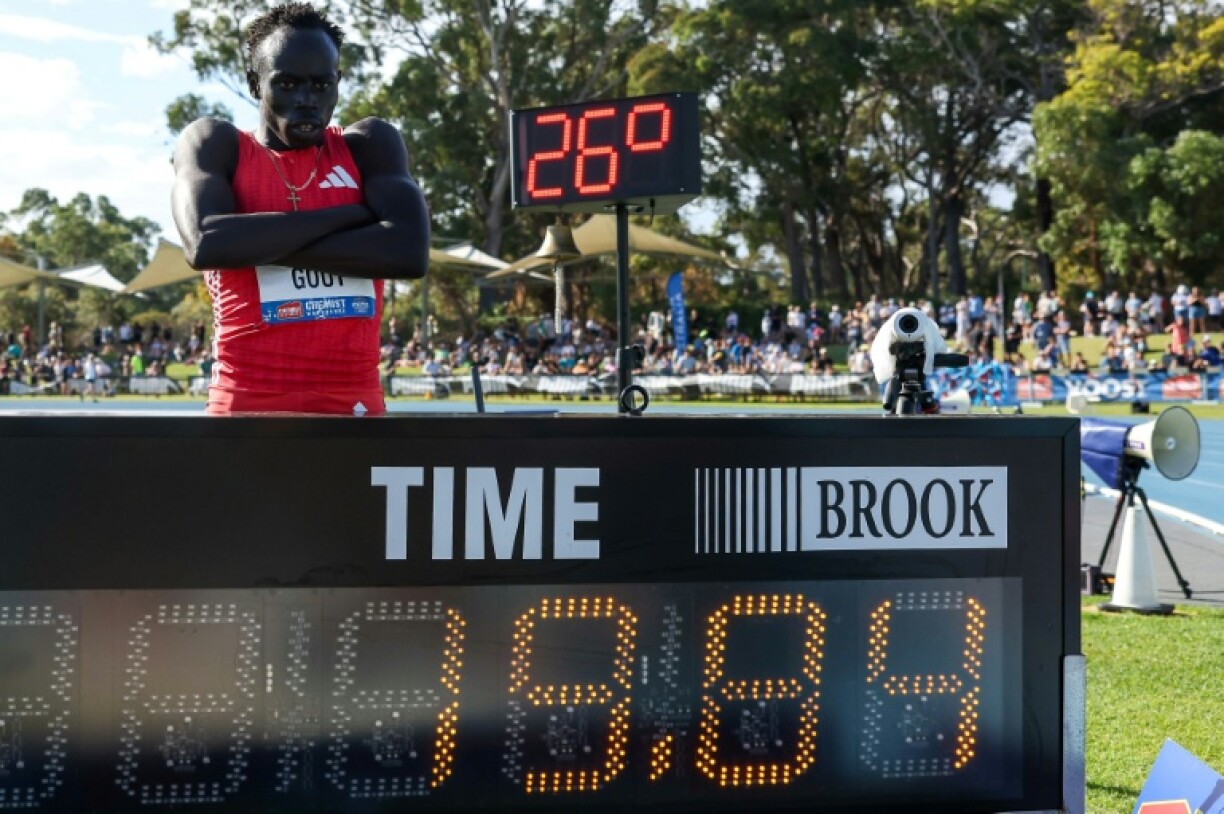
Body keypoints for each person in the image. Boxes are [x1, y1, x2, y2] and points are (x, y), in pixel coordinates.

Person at [171, 2, 429, 416]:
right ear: (256, 84)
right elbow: (206, 244)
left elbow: (408, 252)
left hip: (353, 404)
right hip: (247, 402)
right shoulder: (216, 144)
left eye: (322, 85)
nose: (308, 100)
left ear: (338, 82)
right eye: (288, 85)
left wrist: (254, 244)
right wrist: (349, 216)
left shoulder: (368, 146)